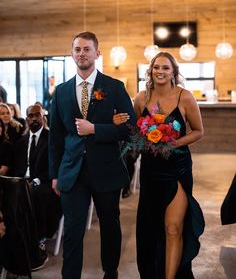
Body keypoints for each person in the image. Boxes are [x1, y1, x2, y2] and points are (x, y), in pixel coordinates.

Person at [49, 31, 136, 279]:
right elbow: (55, 138)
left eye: (87, 49)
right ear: (71, 54)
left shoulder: (115, 88)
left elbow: (130, 130)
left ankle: (111, 273)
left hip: (106, 170)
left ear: (97, 53)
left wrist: (96, 129)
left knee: (110, 227)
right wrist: (55, 174)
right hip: (72, 172)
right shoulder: (62, 92)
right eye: (77, 49)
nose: (81, 54)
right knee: (73, 232)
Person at [115, 52, 205, 279]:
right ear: (151, 71)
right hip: (151, 171)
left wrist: (174, 143)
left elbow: (198, 131)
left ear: (173, 72)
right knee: (152, 228)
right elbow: (135, 131)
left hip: (178, 168)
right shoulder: (141, 98)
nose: (161, 72)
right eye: (157, 68)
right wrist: (126, 127)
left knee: (173, 228)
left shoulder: (185, 97)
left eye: (166, 68)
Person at [13, 104, 61, 258]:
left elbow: (55, 167)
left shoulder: (51, 138)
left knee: (35, 194)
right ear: (26, 118)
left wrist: (35, 181)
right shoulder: (22, 141)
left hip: (45, 182)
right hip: (23, 182)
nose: (34, 118)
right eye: (30, 116)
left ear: (43, 117)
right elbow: (17, 168)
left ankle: (38, 239)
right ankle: (16, 237)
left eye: (37, 115)